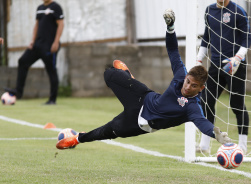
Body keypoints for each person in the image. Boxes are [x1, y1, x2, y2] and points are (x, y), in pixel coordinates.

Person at [56, 9, 231, 150]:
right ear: (185, 78)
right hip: (143, 96)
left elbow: (202, 123)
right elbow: (173, 51)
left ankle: (77, 139)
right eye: (187, 82)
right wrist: (170, 27)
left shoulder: (192, 108)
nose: (187, 87)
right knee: (109, 74)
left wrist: (216, 133)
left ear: (200, 88)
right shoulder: (180, 75)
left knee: (106, 131)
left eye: (193, 86)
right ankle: (127, 76)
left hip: (138, 123)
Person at [196, 0, 251, 154]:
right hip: (215, 65)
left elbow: (247, 39)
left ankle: (243, 146)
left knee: (236, 104)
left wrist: (238, 58)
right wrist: (199, 59)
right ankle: (205, 145)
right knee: (206, 101)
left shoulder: (238, 11)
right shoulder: (209, 11)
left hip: (235, 65)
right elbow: (207, 37)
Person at [5, 0, 64, 105]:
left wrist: (56, 42)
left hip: (49, 46)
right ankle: (18, 92)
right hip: (37, 44)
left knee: (51, 70)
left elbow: (61, 24)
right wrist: (32, 41)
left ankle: (52, 99)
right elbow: (36, 25)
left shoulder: (56, 7)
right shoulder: (39, 8)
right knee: (23, 61)